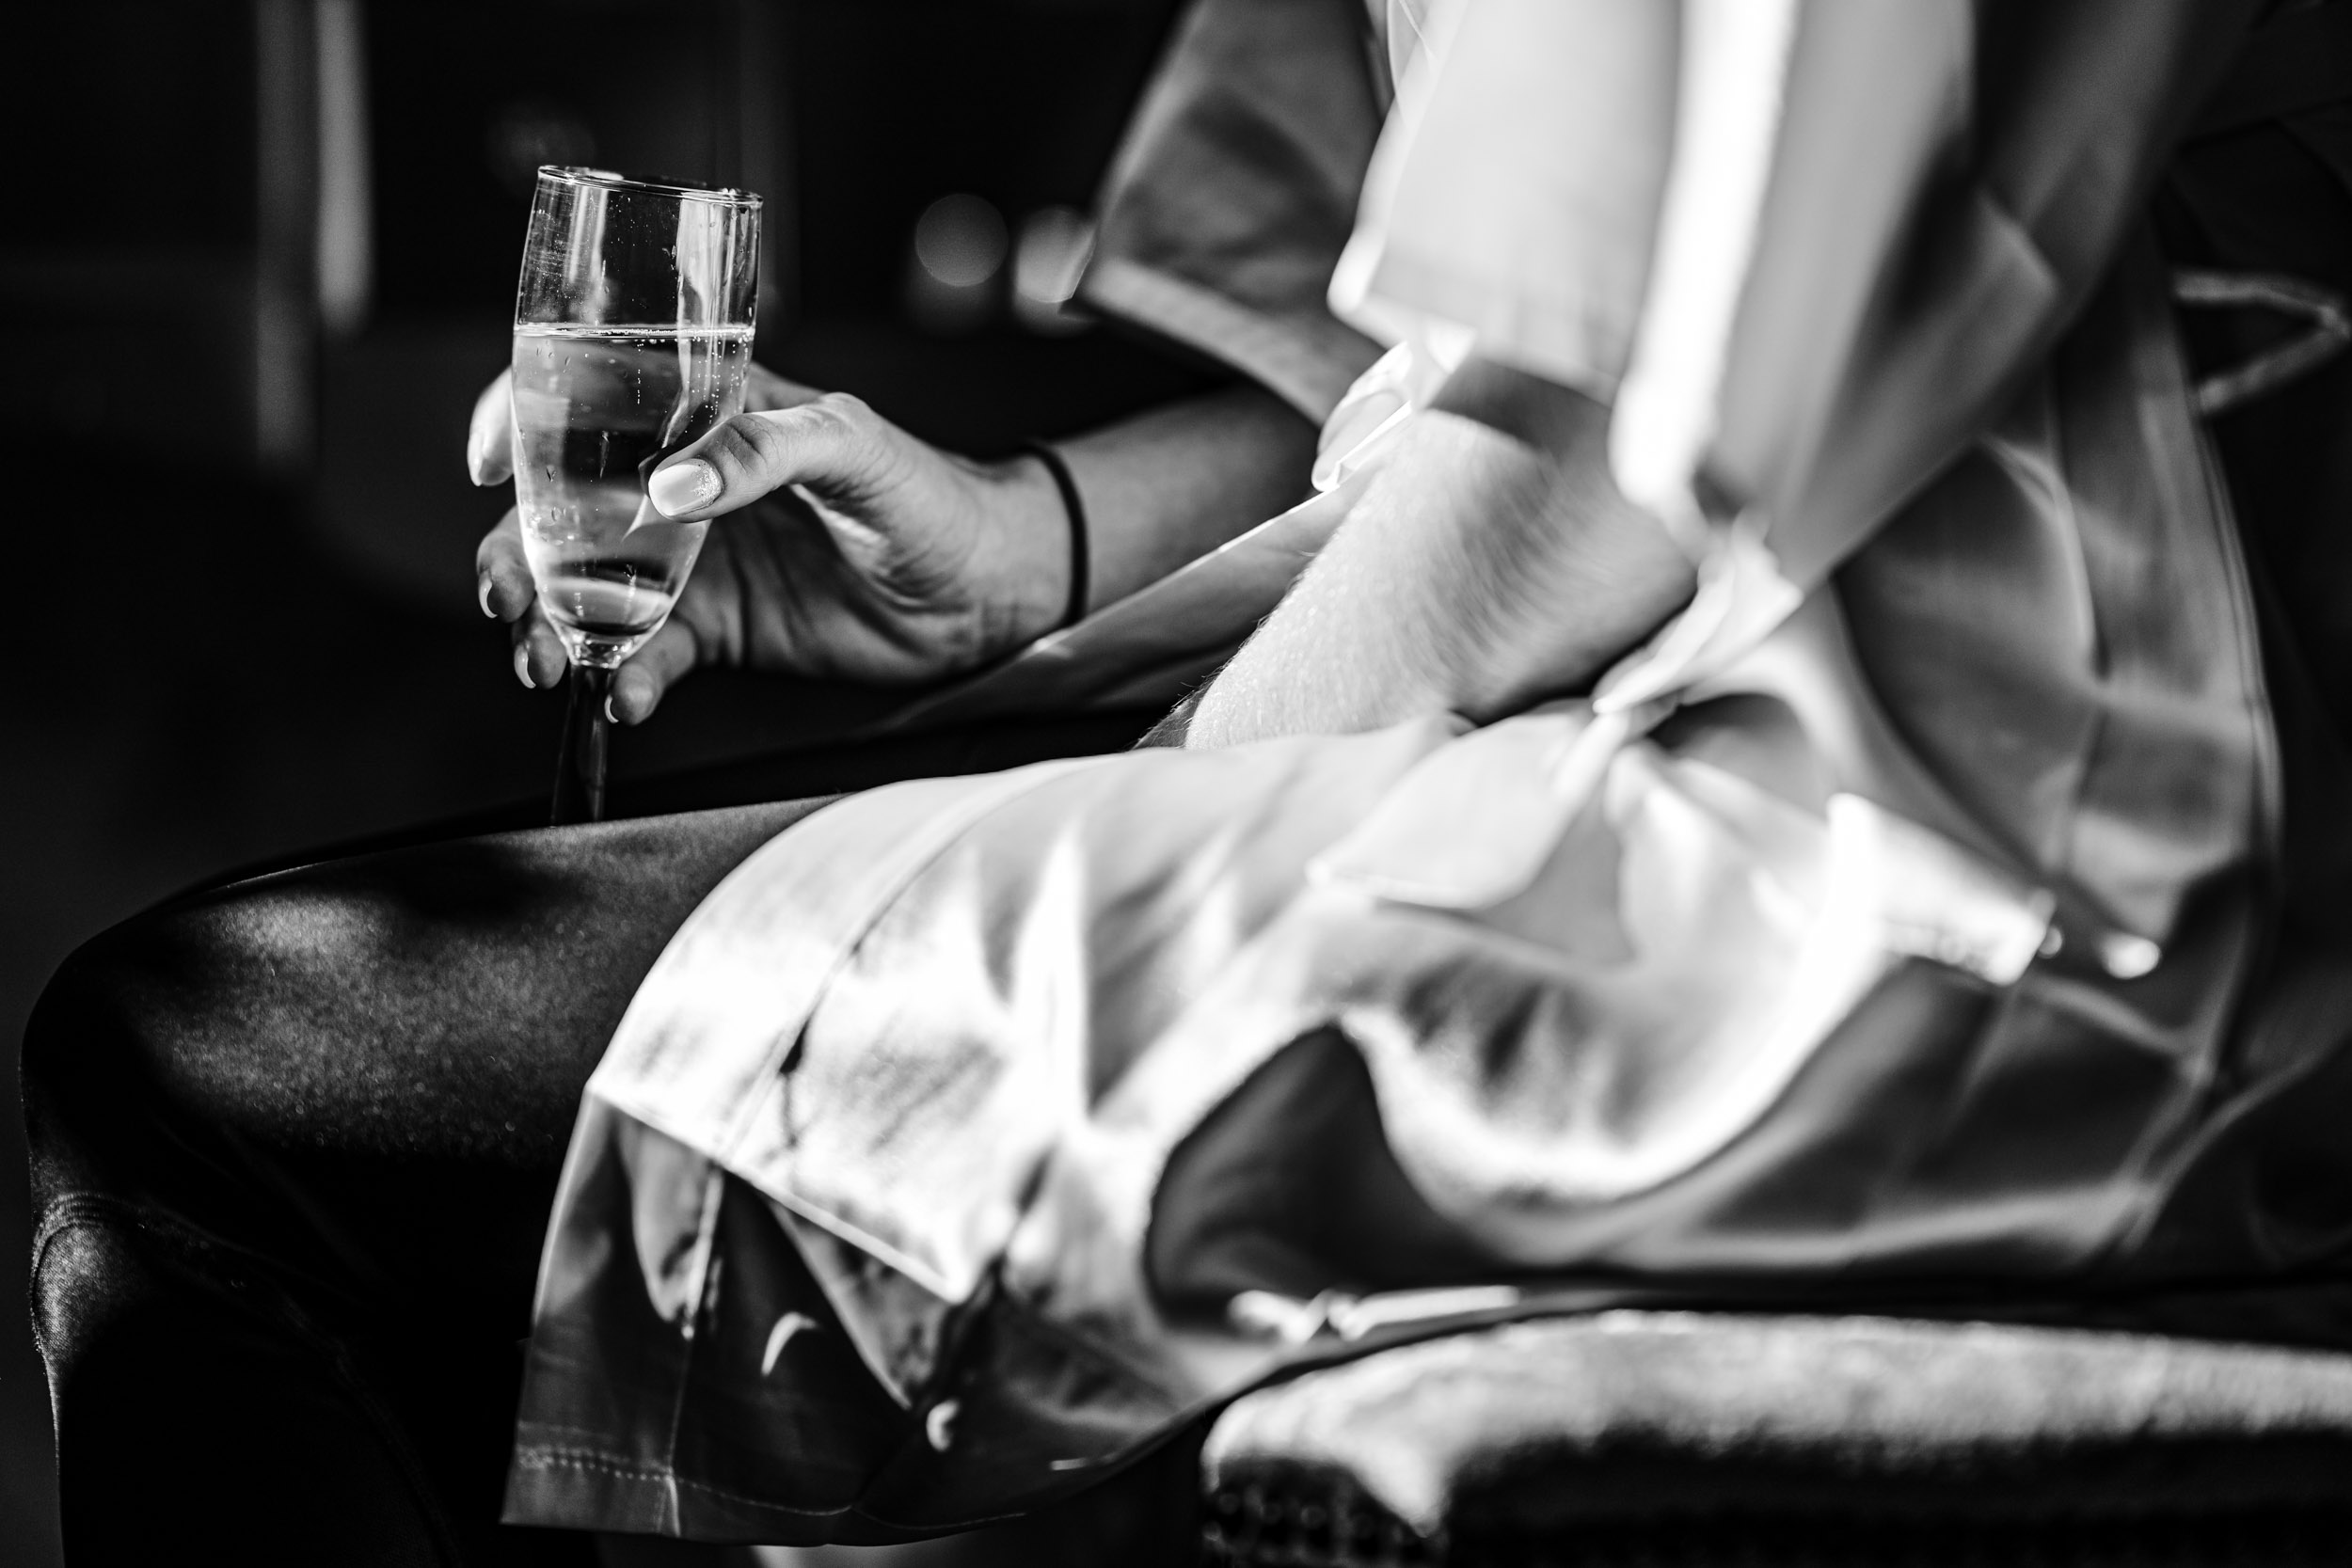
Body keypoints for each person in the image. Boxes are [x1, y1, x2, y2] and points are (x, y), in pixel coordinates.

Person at [26, 0, 2352, 1562]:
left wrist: (1135, 789)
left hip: (1928, 813)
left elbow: (1614, 443)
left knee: (223, 1080)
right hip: (1620, 688)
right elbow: (1423, 365)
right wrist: (1020, 550)